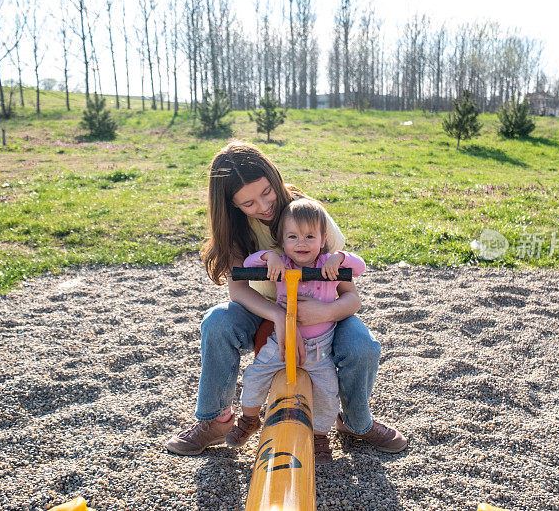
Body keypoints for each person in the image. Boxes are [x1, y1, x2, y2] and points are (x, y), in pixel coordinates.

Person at [165, 140, 407, 456]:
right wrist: (280, 316)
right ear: (233, 206)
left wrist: (324, 312)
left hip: (322, 311)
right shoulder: (237, 230)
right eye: (249, 203)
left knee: (363, 347)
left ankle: (355, 422)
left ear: (274, 177)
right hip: (266, 308)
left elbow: (349, 289)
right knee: (217, 321)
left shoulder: (306, 214)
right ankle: (216, 419)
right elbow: (239, 290)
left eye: (267, 192)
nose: (263, 206)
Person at [224, 198, 367, 464]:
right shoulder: (283, 266)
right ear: (281, 241)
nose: (301, 243)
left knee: (327, 391)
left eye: (310, 236)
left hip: (320, 348)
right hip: (281, 341)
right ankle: (250, 419)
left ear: (323, 239)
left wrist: (341, 257)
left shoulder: (328, 266)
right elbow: (249, 264)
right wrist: (270, 257)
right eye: (292, 237)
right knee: (255, 376)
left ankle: (320, 436)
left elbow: (359, 267)